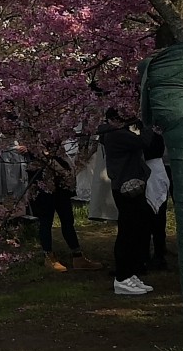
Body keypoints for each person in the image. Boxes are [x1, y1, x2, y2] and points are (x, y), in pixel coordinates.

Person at [100, 107, 164, 296]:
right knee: (128, 232)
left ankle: (131, 272)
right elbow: (144, 142)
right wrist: (145, 124)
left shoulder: (116, 133)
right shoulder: (114, 135)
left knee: (137, 230)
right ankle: (122, 277)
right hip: (125, 187)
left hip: (131, 185)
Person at [22, 134, 89, 271]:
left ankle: (77, 255)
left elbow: (62, 152)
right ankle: (49, 256)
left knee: (67, 218)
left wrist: (69, 171)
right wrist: (63, 171)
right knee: (46, 220)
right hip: (43, 180)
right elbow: (41, 154)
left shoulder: (55, 129)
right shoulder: (31, 131)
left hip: (61, 183)